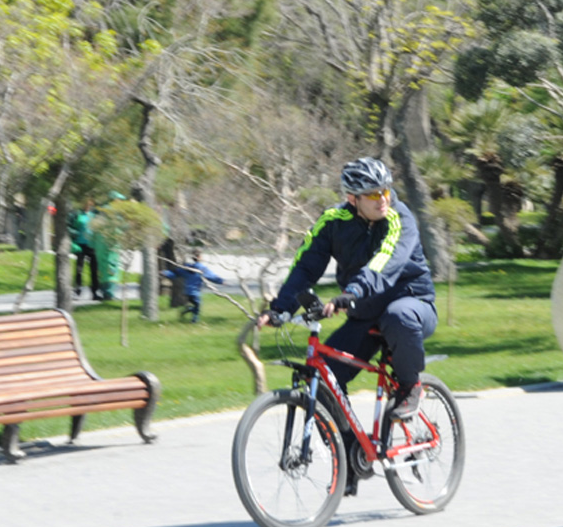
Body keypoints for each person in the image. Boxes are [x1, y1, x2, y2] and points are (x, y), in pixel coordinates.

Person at [258, 157, 437, 464]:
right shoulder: (332, 222)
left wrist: (350, 293)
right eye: (372, 194)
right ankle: (351, 454)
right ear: (351, 198)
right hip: (365, 312)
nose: (383, 198)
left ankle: (410, 386)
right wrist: (280, 308)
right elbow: (305, 266)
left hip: (412, 303)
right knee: (323, 375)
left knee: (398, 316)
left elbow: (383, 263)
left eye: (385, 190)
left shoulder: (399, 217)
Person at [161, 250, 225, 323]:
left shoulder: (187, 267)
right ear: (199, 257)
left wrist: (166, 273)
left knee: (196, 305)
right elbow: (211, 276)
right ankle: (194, 320)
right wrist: (221, 281)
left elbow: (176, 273)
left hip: (187, 291)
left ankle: (187, 312)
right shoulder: (201, 268)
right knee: (197, 306)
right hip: (195, 291)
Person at [67, 198, 102, 301]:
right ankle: (77, 291)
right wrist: (74, 235)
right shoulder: (77, 214)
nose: (88, 206)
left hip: (92, 245)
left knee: (94, 270)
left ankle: (95, 292)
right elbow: (69, 227)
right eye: (86, 204)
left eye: (90, 204)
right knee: (79, 269)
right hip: (80, 245)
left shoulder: (94, 215)